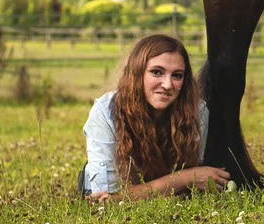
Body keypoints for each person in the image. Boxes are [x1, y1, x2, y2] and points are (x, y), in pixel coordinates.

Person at [79, 34, 229, 200]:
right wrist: (186, 178)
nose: (167, 85)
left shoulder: (197, 110)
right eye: (156, 72)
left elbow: (193, 189)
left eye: (177, 75)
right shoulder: (105, 111)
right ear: (137, 73)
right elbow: (104, 199)